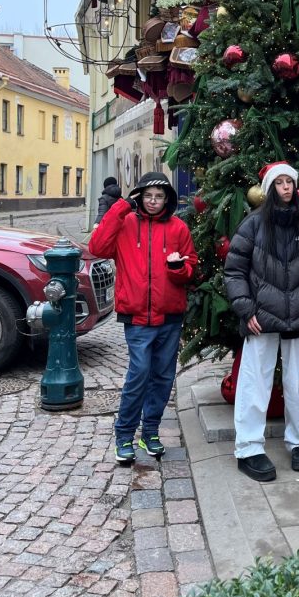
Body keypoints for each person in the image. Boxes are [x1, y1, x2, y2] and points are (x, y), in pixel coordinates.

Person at [224, 162, 299, 482]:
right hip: (261, 318)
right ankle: (249, 448)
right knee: (254, 383)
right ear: (270, 188)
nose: (286, 187)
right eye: (279, 182)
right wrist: (246, 308)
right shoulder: (253, 224)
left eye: (289, 182)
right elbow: (235, 270)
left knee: (297, 382)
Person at [89, 171, 197, 464]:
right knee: (138, 374)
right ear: (139, 196)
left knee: (163, 377)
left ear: (167, 199)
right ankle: (124, 435)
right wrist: (122, 206)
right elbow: (97, 247)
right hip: (136, 317)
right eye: (148, 195)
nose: (153, 201)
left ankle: (150, 432)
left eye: (159, 196)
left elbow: (191, 267)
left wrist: (179, 268)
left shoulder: (178, 228)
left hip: (169, 316)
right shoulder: (125, 222)